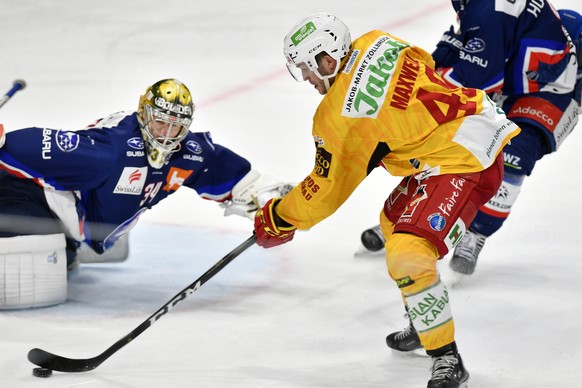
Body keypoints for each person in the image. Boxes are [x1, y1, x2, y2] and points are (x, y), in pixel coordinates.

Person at [253, 12, 520, 387]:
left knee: (408, 255)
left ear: (328, 59)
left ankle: (446, 357)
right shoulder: (378, 40)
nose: (308, 79)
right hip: (468, 128)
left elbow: (326, 189)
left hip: (464, 161)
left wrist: (280, 217)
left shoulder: (337, 117)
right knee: (392, 224)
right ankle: (424, 317)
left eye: (308, 68)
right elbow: (424, 66)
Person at [0, 78, 291, 310]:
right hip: (22, 194)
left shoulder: (188, 154)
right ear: (144, 114)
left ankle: (69, 239)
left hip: (75, 215)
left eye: (176, 124)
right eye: (160, 121)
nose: (166, 133)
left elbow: (240, 182)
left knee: (60, 257)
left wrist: (275, 205)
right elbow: (32, 146)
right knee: (40, 268)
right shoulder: (111, 152)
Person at [360, 2, 582, 277]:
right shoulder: (476, 7)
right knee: (444, 144)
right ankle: (404, 218)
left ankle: (474, 232)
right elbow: (457, 47)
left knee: (512, 157)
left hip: (551, 92)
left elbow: (478, 75)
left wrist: (421, 96)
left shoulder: (489, 9)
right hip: (506, 82)